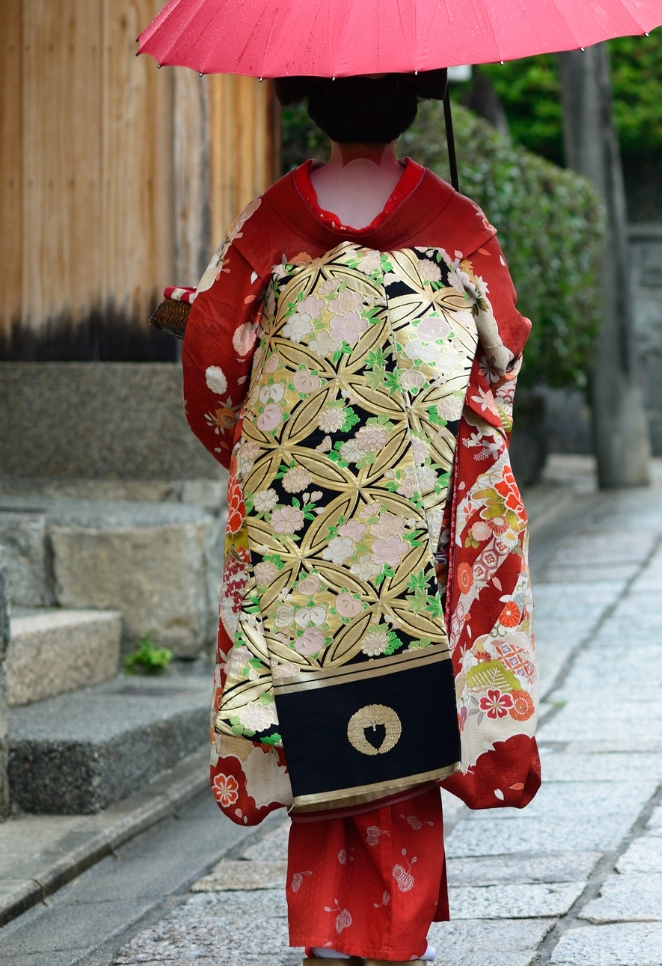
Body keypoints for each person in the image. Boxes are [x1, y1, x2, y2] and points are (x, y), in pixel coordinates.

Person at [176, 73, 540, 966]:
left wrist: (271, 462)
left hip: (301, 514)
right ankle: (396, 931)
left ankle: (325, 933)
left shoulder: (273, 221)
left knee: (315, 701)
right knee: (407, 697)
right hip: (418, 513)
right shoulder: (453, 223)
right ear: (412, 113)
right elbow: (498, 369)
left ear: (316, 113)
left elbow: (215, 364)